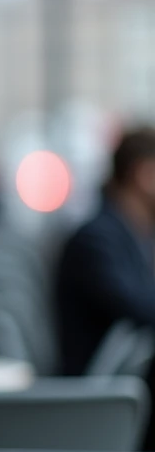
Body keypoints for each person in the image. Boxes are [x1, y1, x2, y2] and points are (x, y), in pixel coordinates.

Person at [56, 127, 155, 380]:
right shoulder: (96, 239)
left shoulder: (134, 234)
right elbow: (136, 307)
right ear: (144, 174)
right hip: (93, 399)